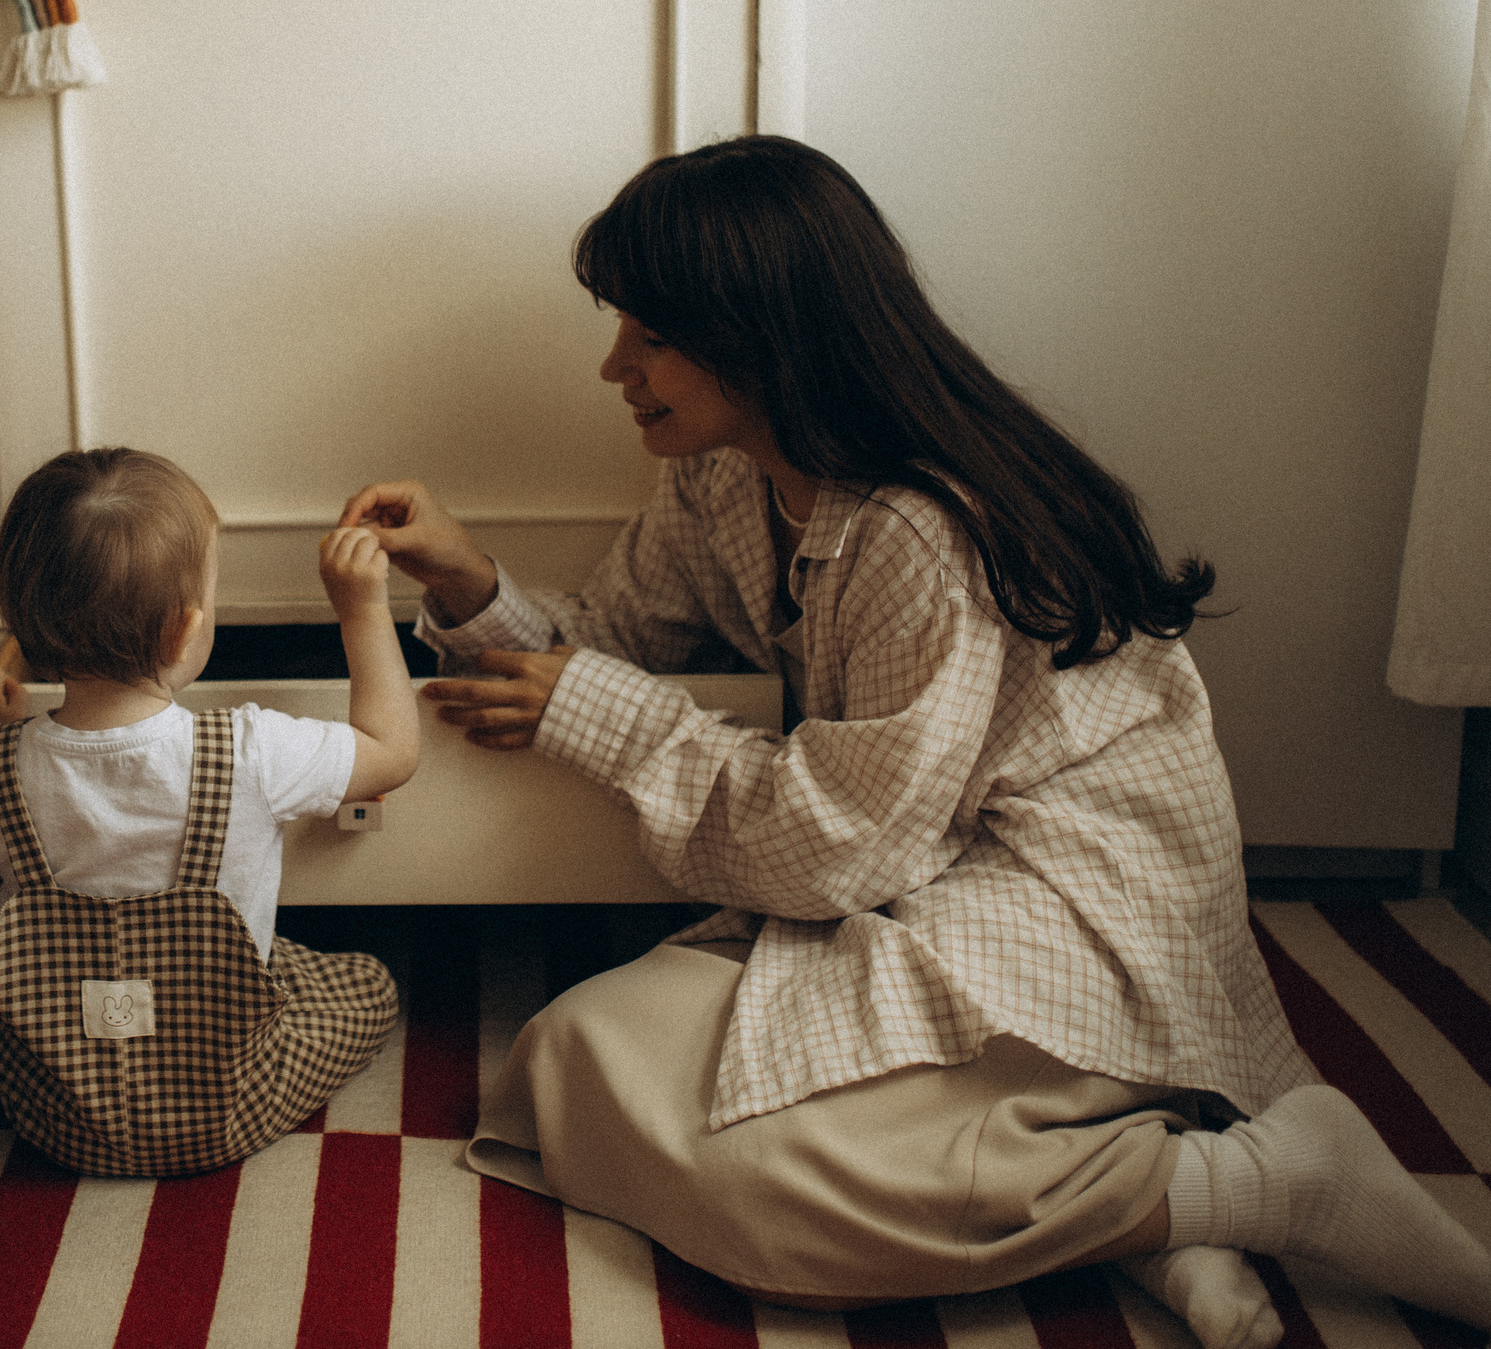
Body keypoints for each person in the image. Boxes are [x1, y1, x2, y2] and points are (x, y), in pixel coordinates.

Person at [341, 135, 1491, 1340]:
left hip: (1055, 896)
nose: (612, 367)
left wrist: (600, 712)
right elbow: (612, 648)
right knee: (568, 1059)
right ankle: (1150, 1208)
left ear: (764, 336)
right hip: (903, 863)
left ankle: (1254, 1183)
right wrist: (470, 582)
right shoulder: (720, 477)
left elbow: (839, 855)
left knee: (759, 1188)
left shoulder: (924, 534)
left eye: (652, 336)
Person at [0, 447, 416, 1173]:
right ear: (183, 633)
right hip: (227, 1103)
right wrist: (365, 610)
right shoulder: (248, 748)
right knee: (367, 986)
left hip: (56, 1107)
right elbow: (392, 748)